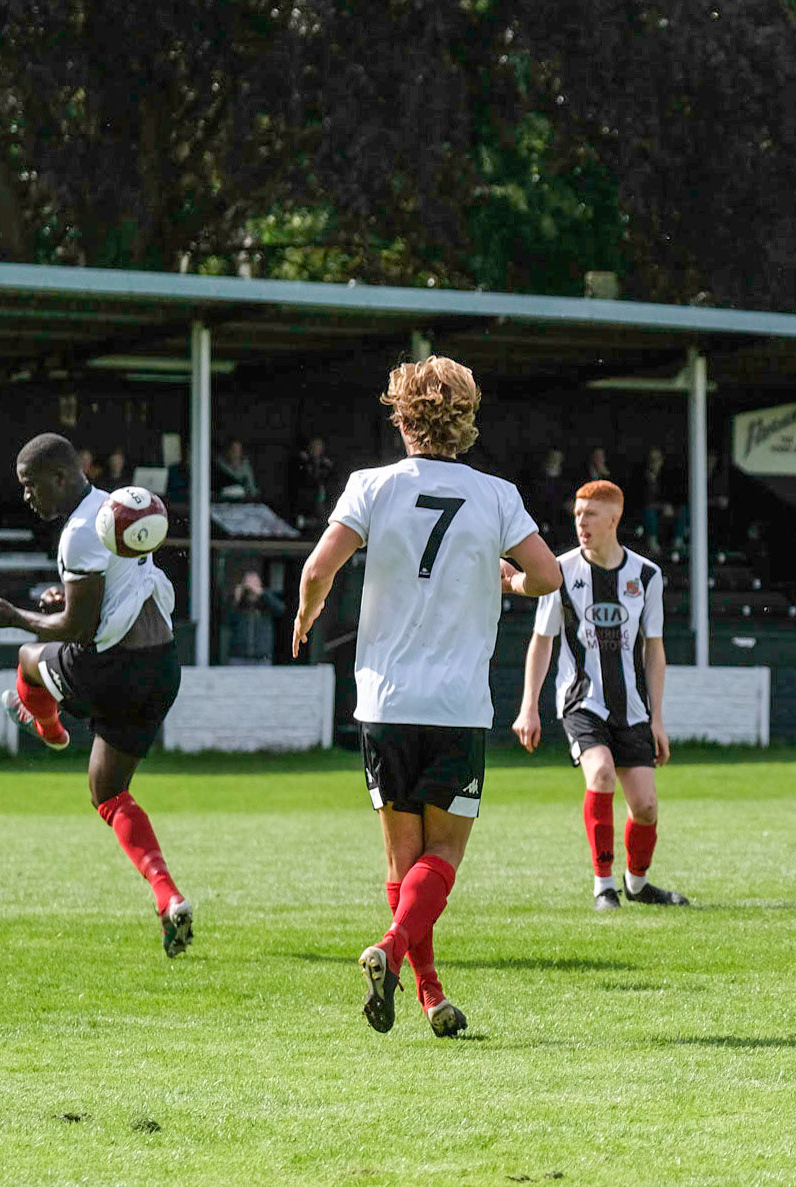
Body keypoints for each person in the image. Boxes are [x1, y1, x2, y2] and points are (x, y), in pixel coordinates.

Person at [293, 356, 561, 1037]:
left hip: (382, 701)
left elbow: (319, 566)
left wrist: (305, 612)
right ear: (466, 419)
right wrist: (514, 586)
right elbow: (549, 574)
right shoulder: (495, 495)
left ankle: (430, 996)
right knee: (441, 858)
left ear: (401, 416)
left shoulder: (370, 485)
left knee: (401, 862)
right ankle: (390, 950)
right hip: (456, 705)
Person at [0, 432, 191, 957]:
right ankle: (169, 899)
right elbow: (105, 590)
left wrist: (13, 615)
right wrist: (63, 597)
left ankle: (47, 726)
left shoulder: (76, 534)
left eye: (31, 486)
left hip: (113, 667)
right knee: (109, 792)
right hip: (163, 669)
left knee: (25, 656)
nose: (27, 497)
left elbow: (76, 627)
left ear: (60, 477)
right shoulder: (109, 508)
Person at [512, 479, 691, 912]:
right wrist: (528, 706)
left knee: (646, 806)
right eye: (577, 515)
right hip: (581, 700)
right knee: (601, 775)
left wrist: (658, 720)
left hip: (631, 708)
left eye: (590, 514)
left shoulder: (647, 576)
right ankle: (603, 886)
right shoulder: (560, 571)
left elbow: (655, 650)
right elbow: (542, 641)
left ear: (614, 518)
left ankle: (637, 883)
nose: (581, 522)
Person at [225, 570, 285, 665]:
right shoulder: (237, 603)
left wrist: (262, 593)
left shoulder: (266, 601)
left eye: (254, 583)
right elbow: (226, 621)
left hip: (262, 657)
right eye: (248, 583)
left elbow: (280, 609)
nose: (251, 587)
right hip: (238, 656)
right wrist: (236, 600)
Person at [291, 436, 338, 530]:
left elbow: (329, 477)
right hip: (306, 495)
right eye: (315, 446)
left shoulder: (325, 463)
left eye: (319, 446)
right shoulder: (303, 461)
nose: (317, 448)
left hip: (322, 496)